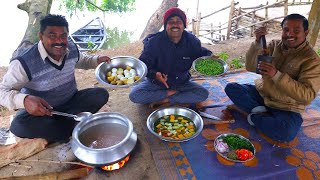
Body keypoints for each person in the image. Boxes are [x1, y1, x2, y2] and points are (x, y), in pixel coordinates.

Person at [0, 14, 111, 143]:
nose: (59, 41)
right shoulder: (24, 62)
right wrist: (24, 100)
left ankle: (63, 127)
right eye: (52, 36)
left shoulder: (71, 48)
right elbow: (2, 91)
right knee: (18, 126)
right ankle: (68, 126)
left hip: (71, 102)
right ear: (41, 37)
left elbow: (82, 60)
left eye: (63, 36)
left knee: (100, 94)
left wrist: (96, 60)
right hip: (43, 112)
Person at [224, 14, 320, 142]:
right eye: (286, 30)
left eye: (296, 31)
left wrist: (276, 75)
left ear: (306, 32)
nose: (290, 34)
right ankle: (262, 115)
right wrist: (257, 43)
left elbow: (307, 95)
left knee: (286, 132)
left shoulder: (311, 60)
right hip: (263, 95)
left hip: (286, 107)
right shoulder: (274, 45)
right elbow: (251, 67)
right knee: (232, 88)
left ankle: (252, 115)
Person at [129, 7, 215, 108]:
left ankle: (165, 99)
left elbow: (201, 53)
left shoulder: (192, 42)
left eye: (178, 21)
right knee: (135, 95)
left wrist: (210, 56)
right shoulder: (154, 42)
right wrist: (155, 74)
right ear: (165, 26)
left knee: (203, 94)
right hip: (156, 84)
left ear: (184, 25)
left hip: (182, 82)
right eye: (170, 21)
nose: (175, 24)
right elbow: (143, 66)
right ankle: (172, 94)